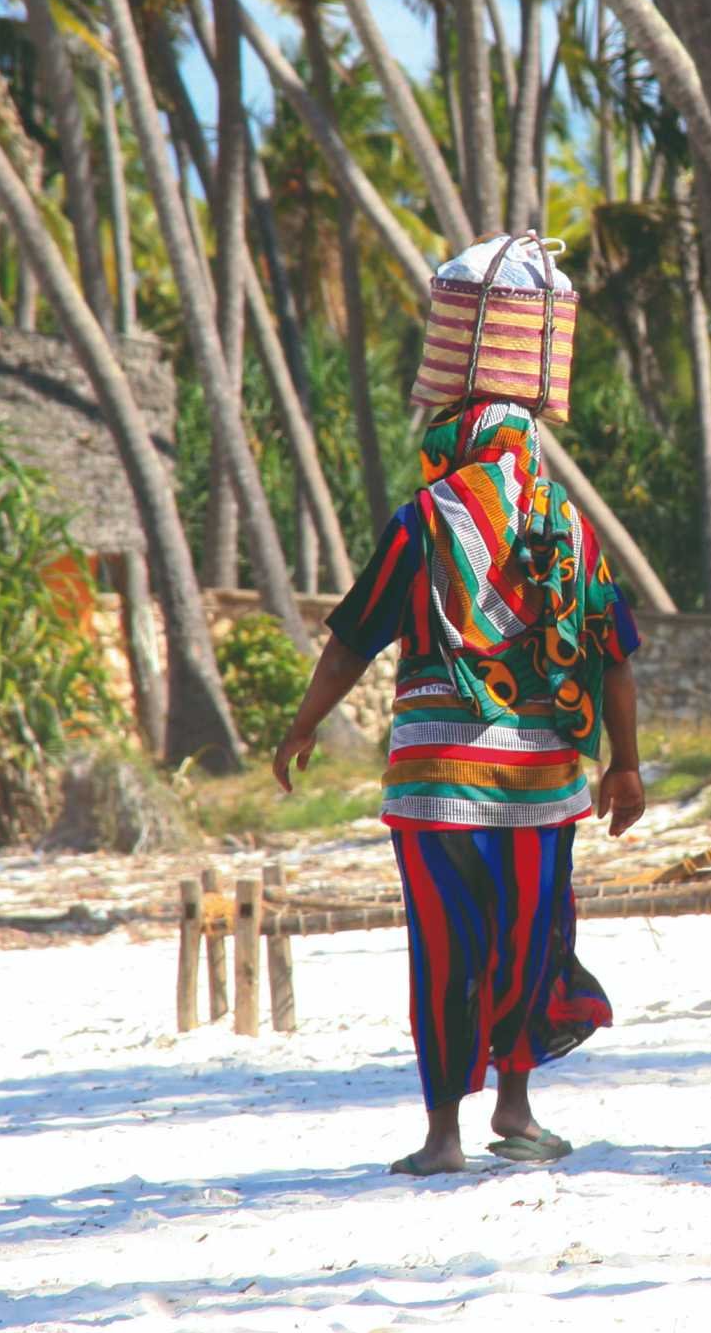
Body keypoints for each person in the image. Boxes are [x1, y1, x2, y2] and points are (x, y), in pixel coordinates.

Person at [275, 396, 645, 1177]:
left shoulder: (423, 521)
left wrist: (303, 723)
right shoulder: (568, 528)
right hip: (543, 784)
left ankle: (444, 1136)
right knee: (530, 937)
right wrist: (626, 762)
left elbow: (352, 639)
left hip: (436, 785)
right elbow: (613, 653)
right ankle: (513, 1105)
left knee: (446, 948)